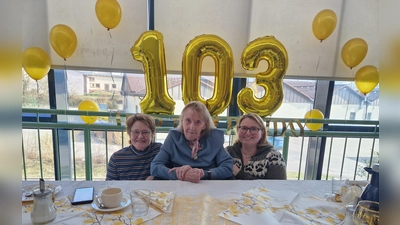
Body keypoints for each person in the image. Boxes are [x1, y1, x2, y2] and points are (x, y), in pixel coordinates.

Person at [150, 101, 233, 182]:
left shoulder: (214, 138)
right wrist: (179, 174)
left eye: (198, 122)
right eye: (188, 121)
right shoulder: (173, 137)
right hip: (178, 186)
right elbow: (155, 166)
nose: (192, 127)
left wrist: (203, 174)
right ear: (182, 121)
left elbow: (228, 167)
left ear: (204, 125)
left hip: (206, 186)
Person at [226, 113, 287, 180]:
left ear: (262, 133)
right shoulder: (227, 153)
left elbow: (276, 187)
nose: (248, 133)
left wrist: (239, 174)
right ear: (238, 130)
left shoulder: (274, 157)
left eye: (254, 129)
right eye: (244, 128)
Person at [106, 113, 161, 180]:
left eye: (145, 132)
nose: (140, 136)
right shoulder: (117, 158)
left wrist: (155, 179)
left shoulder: (161, 151)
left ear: (152, 134)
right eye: (136, 132)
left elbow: (173, 175)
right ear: (129, 134)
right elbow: (110, 187)